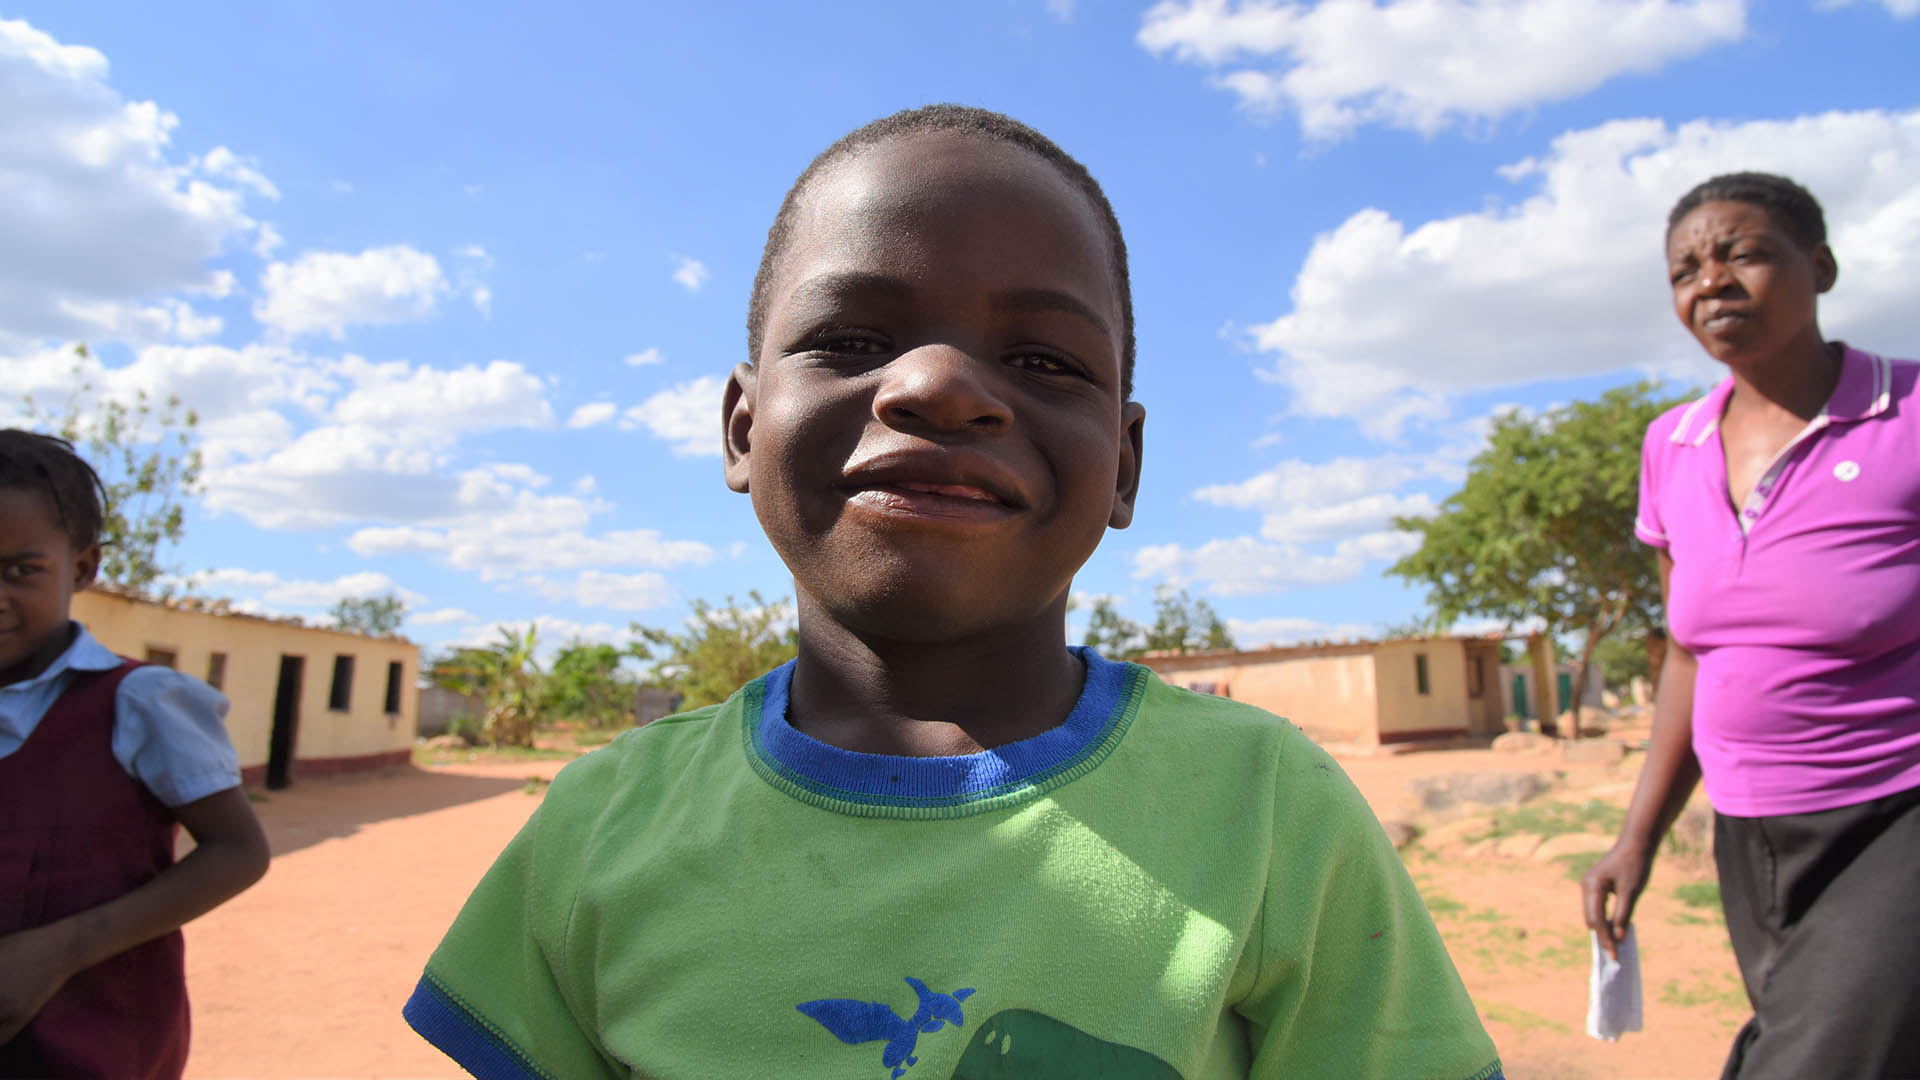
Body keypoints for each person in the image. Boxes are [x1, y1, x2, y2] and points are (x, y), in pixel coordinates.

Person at [404, 105, 1502, 1080]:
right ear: (744, 427)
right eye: (850, 341)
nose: (937, 386)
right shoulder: (601, 826)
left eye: (1044, 361)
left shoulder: (1272, 815)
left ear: (1123, 465)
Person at [1581, 173, 1920, 1078]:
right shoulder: (1673, 446)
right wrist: (1636, 839)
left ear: (1822, 267)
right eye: (1686, 269)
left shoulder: (1910, 414)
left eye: (1744, 252)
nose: (1712, 281)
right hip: (1752, 834)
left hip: (1898, 813)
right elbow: (1688, 654)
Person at [0, 430, 271, 1078]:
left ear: (85, 568)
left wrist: (60, 950)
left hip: (90, 1043)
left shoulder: (139, 702)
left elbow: (239, 851)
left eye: (21, 570)